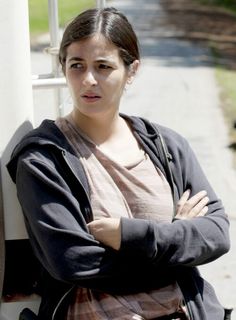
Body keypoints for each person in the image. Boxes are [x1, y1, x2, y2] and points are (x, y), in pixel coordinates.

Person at [7, 7, 230, 320]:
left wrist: (130, 236)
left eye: (103, 66)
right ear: (64, 67)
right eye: (76, 65)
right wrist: (176, 241)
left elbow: (216, 234)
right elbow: (72, 262)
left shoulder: (166, 146)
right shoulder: (44, 157)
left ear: (131, 70)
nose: (88, 80)